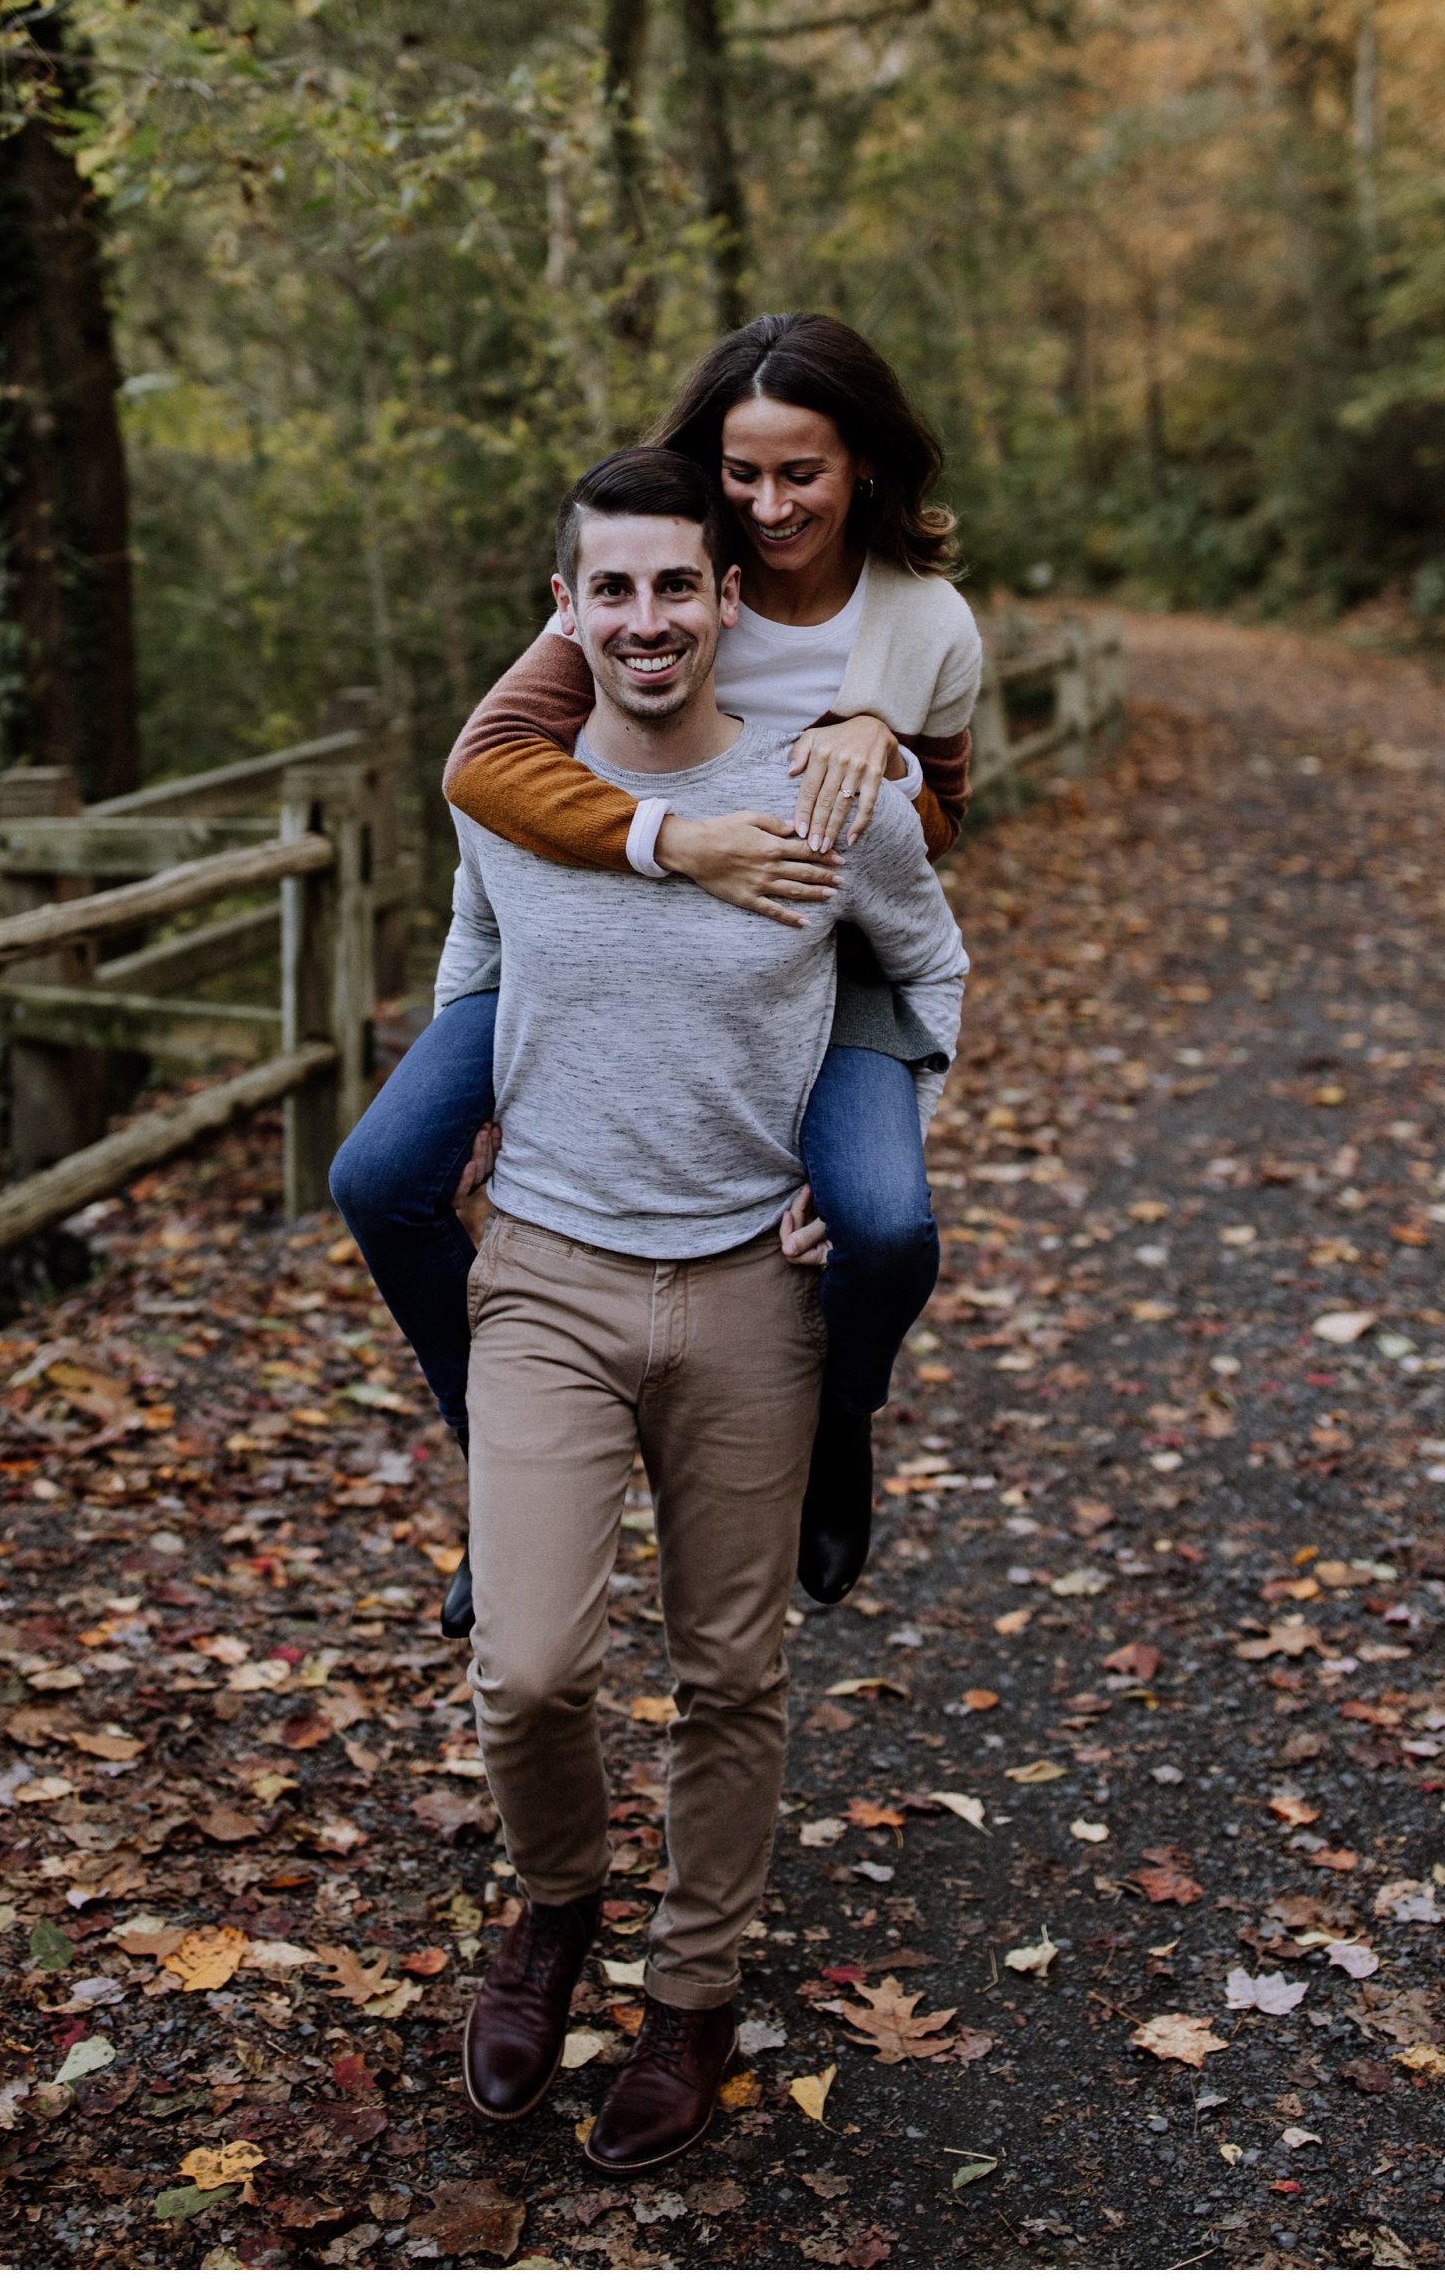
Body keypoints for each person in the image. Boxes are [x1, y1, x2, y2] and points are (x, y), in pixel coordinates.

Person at [445, 447, 967, 2175]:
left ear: (730, 601)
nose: (649, 618)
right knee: (527, 1671)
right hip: (547, 1276)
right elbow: (474, 966)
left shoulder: (827, 791)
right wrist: (463, 1117)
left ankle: (692, 1993)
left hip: (754, 1282)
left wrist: (874, 1135)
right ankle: (554, 1912)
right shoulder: (510, 785)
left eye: (680, 585)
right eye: (615, 590)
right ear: (567, 608)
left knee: (731, 1668)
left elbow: (930, 961)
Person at [329, 313, 981, 1621]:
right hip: (610, 925)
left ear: (862, 465)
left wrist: (876, 747)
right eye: (743, 471)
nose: (769, 501)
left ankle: (838, 1421)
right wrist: (679, 844)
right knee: (381, 1174)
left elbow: (946, 824)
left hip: (820, 935)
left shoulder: (922, 622)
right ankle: (496, 1466)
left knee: (888, 1226)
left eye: (802, 470)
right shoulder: (660, 579)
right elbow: (484, 772)